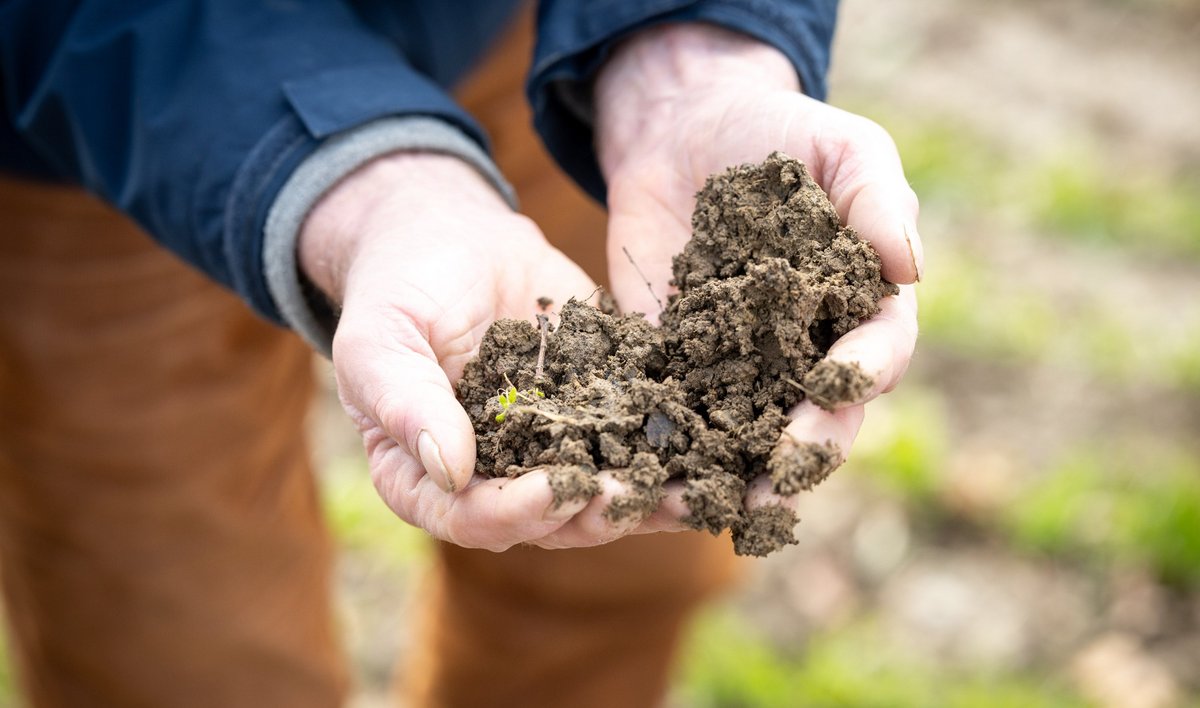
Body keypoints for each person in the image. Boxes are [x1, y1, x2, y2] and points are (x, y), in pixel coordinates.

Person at [0, 1, 921, 705]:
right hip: (113, 107)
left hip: (549, 50)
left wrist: (688, 43)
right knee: (181, 644)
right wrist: (369, 183)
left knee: (609, 575)